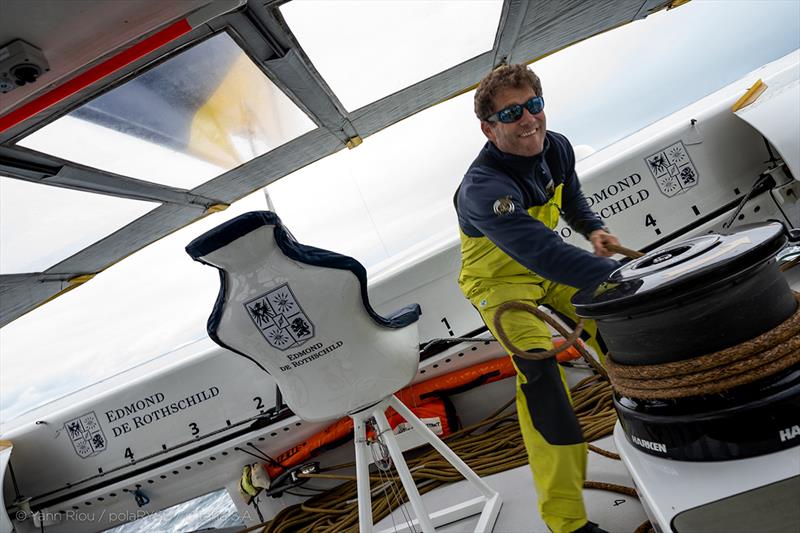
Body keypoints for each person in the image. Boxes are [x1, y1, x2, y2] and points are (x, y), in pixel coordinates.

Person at [454, 64, 621, 533]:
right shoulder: (482, 189)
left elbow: (572, 200)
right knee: (543, 378)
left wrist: (593, 229)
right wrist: (624, 274)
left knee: (620, 320)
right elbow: (546, 254)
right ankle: (566, 521)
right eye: (511, 113)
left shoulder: (557, 146)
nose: (528, 119)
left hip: (546, 267)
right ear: (489, 128)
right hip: (498, 281)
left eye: (533, 105)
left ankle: (651, 420)